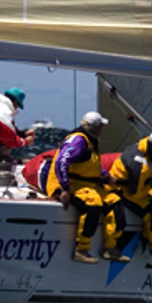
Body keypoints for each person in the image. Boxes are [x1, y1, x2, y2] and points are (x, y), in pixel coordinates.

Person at [44, 111, 113, 264]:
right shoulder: (78, 140)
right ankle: (81, 249)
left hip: (85, 184)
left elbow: (90, 163)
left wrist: (106, 175)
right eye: (101, 126)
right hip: (67, 185)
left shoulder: (90, 141)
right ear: (95, 127)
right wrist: (65, 189)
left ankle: (111, 248)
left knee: (114, 200)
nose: (102, 129)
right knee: (93, 205)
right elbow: (62, 162)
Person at [106, 131, 152, 268]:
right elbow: (135, 193)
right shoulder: (139, 164)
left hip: (135, 188)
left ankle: (146, 246)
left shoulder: (143, 147)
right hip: (123, 191)